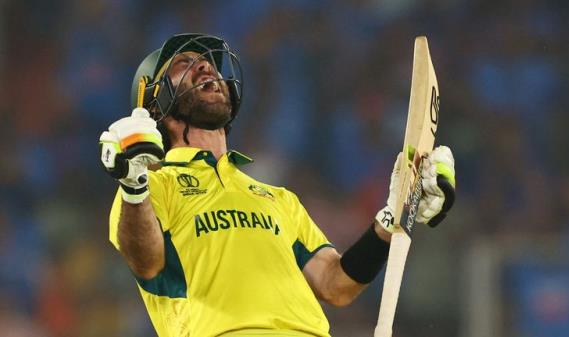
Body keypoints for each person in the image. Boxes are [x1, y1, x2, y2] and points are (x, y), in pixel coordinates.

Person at [99, 33, 455, 337]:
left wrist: (392, 217)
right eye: (185, 63)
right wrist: (134, 185)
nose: (206, 65)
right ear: (154, 101)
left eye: (208, 61)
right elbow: (146, 264)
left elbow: (336, 285)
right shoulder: (151, 189)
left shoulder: (278, 198)